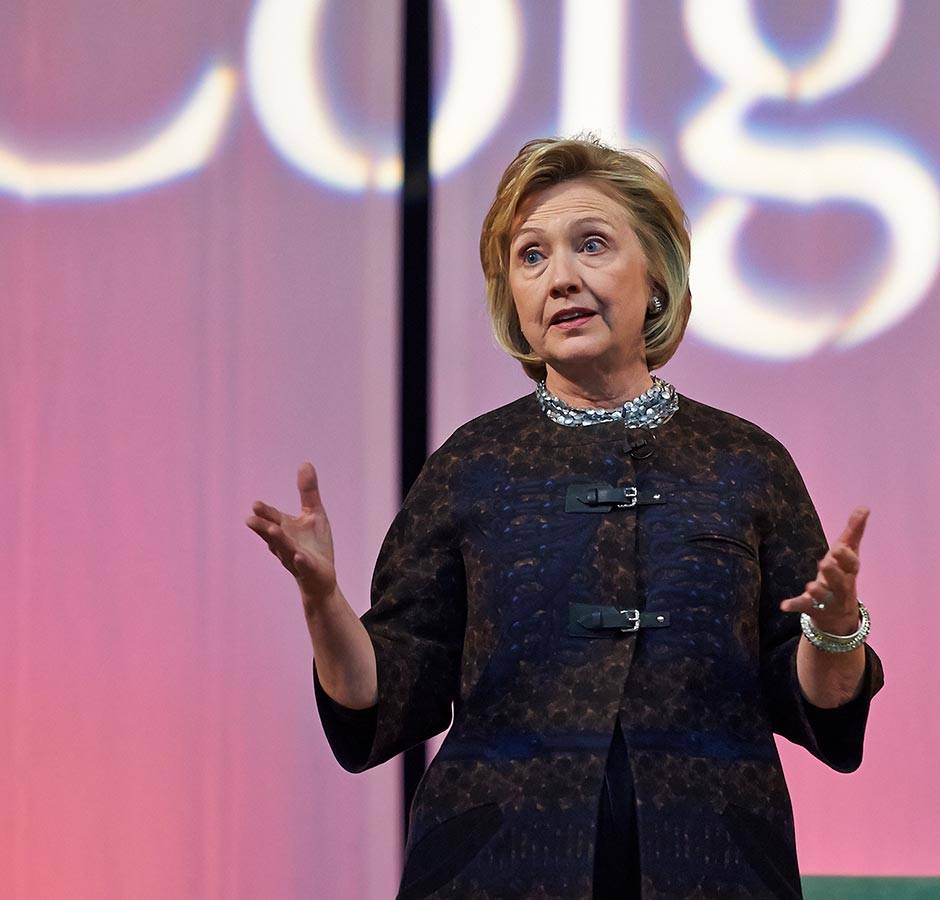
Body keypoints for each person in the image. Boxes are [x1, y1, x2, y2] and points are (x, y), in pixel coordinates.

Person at [245, 135, 884, 899]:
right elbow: (386, 690)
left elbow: (814, 700)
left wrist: (835, 629)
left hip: (710, 865)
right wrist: (323, 604)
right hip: (498, 869)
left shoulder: (744, 462)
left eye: (591, 246)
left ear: (656, 279)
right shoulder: (472, 465)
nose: (561, 279)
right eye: (531, 257)